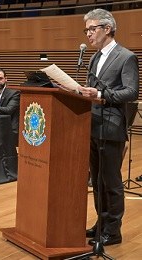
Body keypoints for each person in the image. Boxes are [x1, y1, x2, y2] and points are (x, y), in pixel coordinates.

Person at [78, 8, 139, 246]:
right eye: (87, 30)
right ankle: (101, 224)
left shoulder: (126, 56)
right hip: (92, 125)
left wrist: (101, 94)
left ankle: (113, 231)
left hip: (111, 127)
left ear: (107, 28)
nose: (88, 34)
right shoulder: (94, 57)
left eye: (92, 29)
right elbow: (91, 89)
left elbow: (131, 92)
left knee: (110, 182)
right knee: (97, 180)